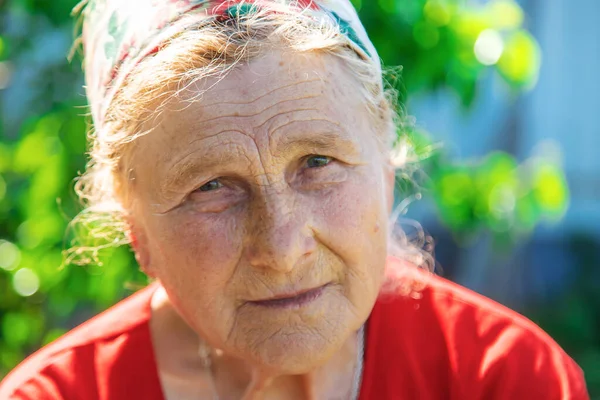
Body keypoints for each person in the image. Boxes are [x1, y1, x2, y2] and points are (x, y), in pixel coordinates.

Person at [0, 0, 589, 399]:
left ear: (385, 168)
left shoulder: (502, 379)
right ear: (137, 229)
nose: (282, 248)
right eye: (212, 187)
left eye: (317, 163)